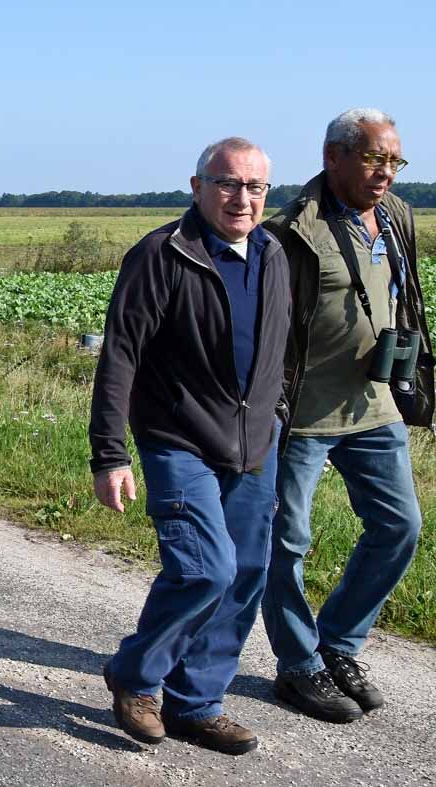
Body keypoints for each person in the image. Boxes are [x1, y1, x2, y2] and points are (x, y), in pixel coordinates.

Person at [89, 138, 290, 755]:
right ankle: (135, 676)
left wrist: (284, 419)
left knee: (247, 575)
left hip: (256, 444)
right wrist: (110, 452)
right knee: (206, 569)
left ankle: (197, 703)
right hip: (179, 440)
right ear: (197, 186)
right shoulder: (163, 253)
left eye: (255, 187)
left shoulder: (273, 252)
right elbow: (120, 354)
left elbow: (283, 348)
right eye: (228, 183)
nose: (242, 198)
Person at [260, 108, 431, 723]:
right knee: (286, 542)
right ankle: (298, 666)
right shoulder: (290, 231)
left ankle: (338, 644)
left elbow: (402, 295)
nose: (385, 172)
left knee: (399, 528)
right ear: (332, 156)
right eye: (373, 158)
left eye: (394, 160)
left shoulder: (396, 214)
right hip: (300, 412)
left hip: (374, 404)